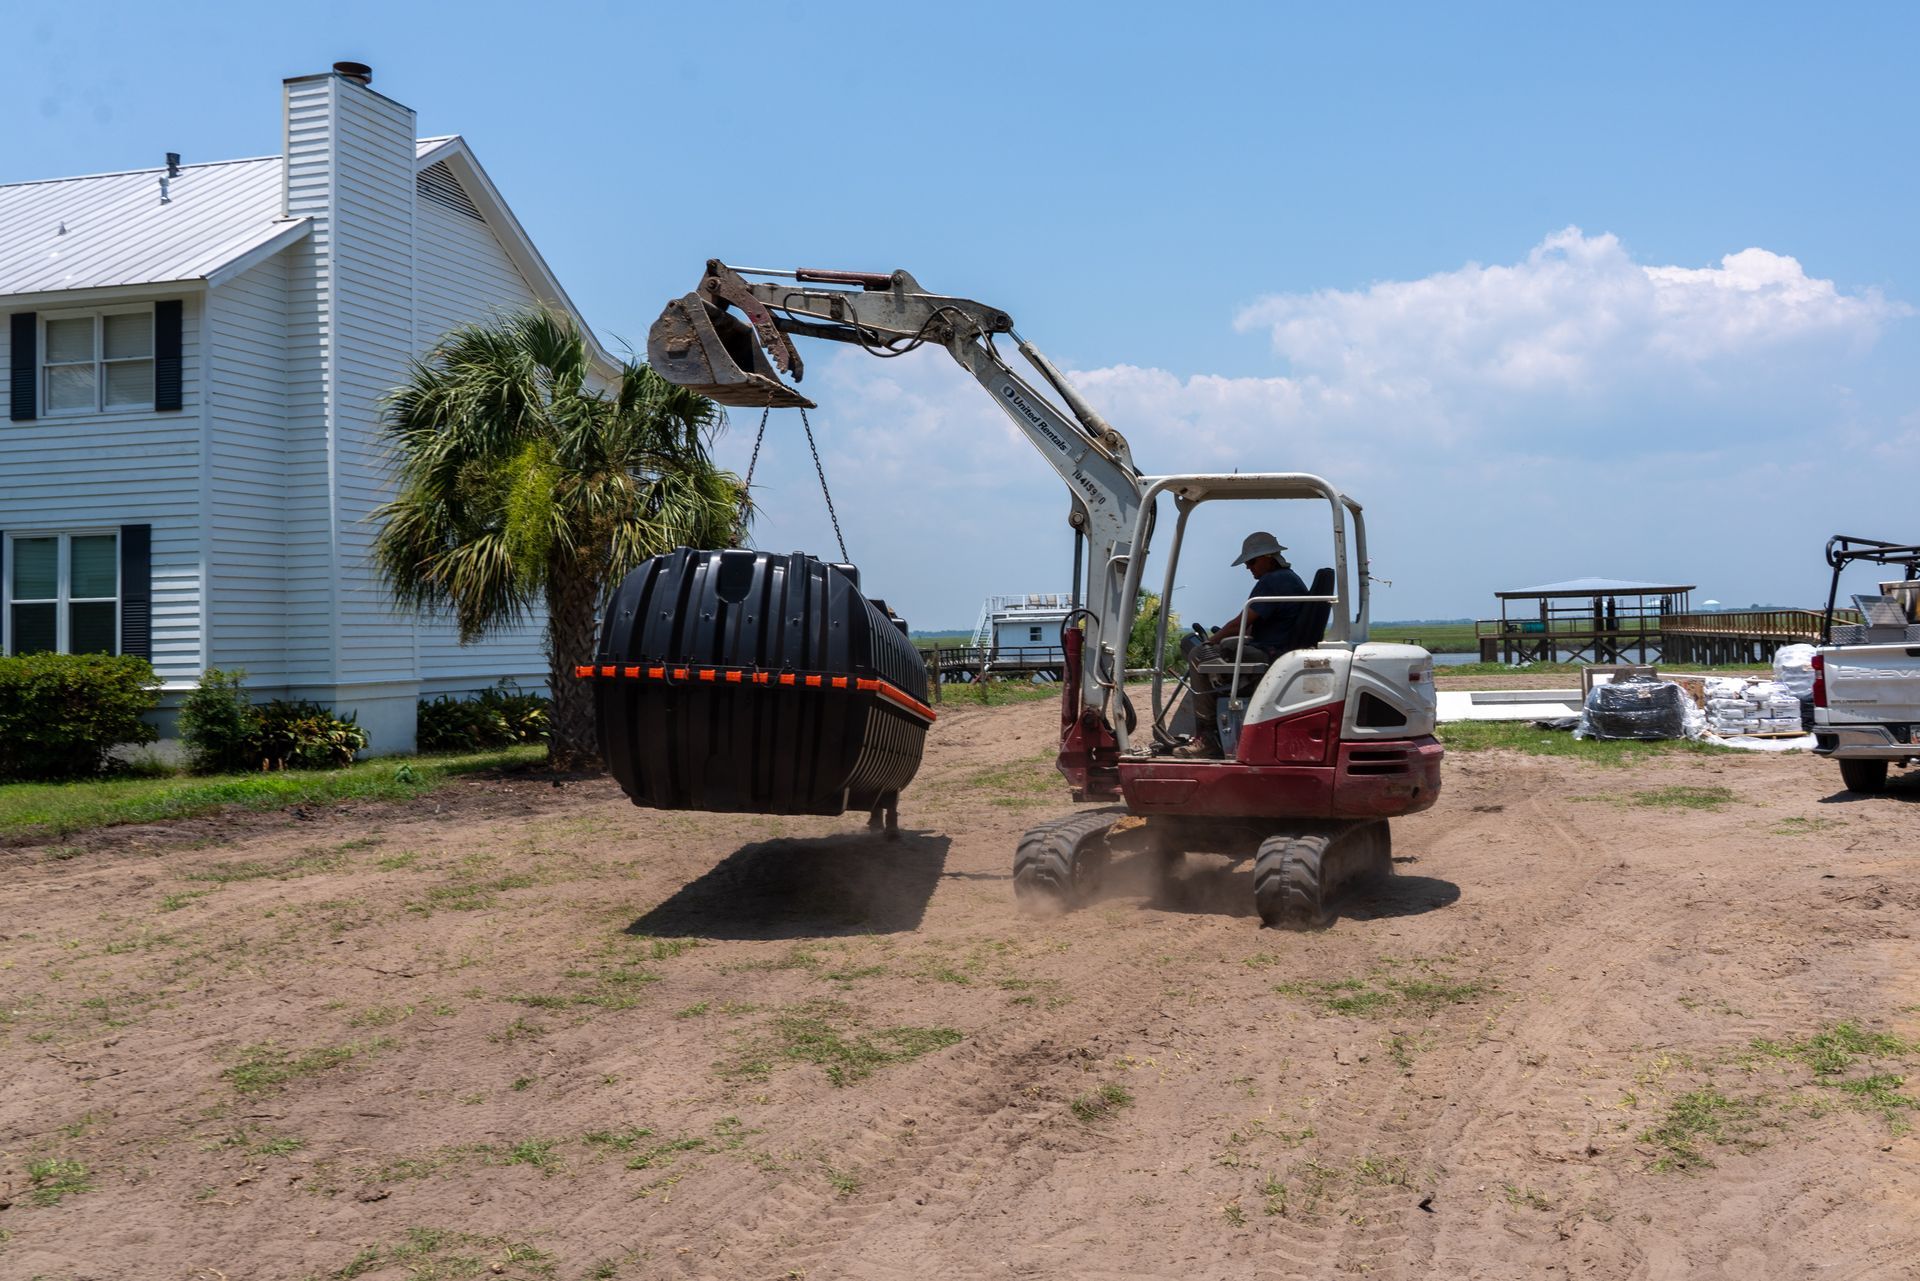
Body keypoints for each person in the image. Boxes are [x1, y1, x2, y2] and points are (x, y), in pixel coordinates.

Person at [1172, 532, 1310, 759]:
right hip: (1280, 648)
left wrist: (1211, 642)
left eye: (1252, 561)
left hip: (1271, 653)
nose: (1248, 567)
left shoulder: (1273, 581)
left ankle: (1207, 738)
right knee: (1223, 648)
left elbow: (1239, 624)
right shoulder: (1289, 579)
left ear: (1268, 557)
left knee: (1199, 655)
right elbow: (1254, 625)